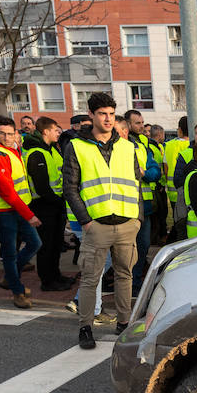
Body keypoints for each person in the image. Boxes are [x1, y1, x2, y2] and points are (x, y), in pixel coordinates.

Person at [62, 91, 141, 350]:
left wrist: (137, 218)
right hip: (96, 225)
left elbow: (135, 183)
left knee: (124, 275)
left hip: (127, 222)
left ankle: (124, 322)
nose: (107, 119)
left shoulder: (128, 147)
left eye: (111, 114)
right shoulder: (76, 146)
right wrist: (86, 222)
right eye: (102, 114)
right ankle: (86, 326)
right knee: (90, 279)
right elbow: (70, 188)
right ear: (91, 115)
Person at [0, 116, 40, 308]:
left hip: (17, 208)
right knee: (10, 253)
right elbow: (6, 191)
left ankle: (10, 277)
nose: (7, 137)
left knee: (34, 244)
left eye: (10, 133)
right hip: (6, 211)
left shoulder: (12, 149)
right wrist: (29, 214)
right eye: (2, 134)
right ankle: (17, 291)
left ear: (16, 133)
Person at [23, 116, 74, 291]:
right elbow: (42, 186)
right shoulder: (37, 153)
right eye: (55, 130)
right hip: (44, 205)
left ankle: (56, 275)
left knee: (56, 244)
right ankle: (47, 280)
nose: (58, 133)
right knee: (47, 245)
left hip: (56, 204)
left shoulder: (52, 150)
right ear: (45, 131)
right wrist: (58, 201)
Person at [125, 111, 163, 287]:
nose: (141, 126)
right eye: (137, 123)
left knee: (143, 244)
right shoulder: (124, 144)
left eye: (142, 122)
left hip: (145, 205)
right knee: (129, 248)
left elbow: (155, 171)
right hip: (127, 204)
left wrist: (145, 173)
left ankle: (136, 279)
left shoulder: (142, 144)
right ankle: (130, 281)